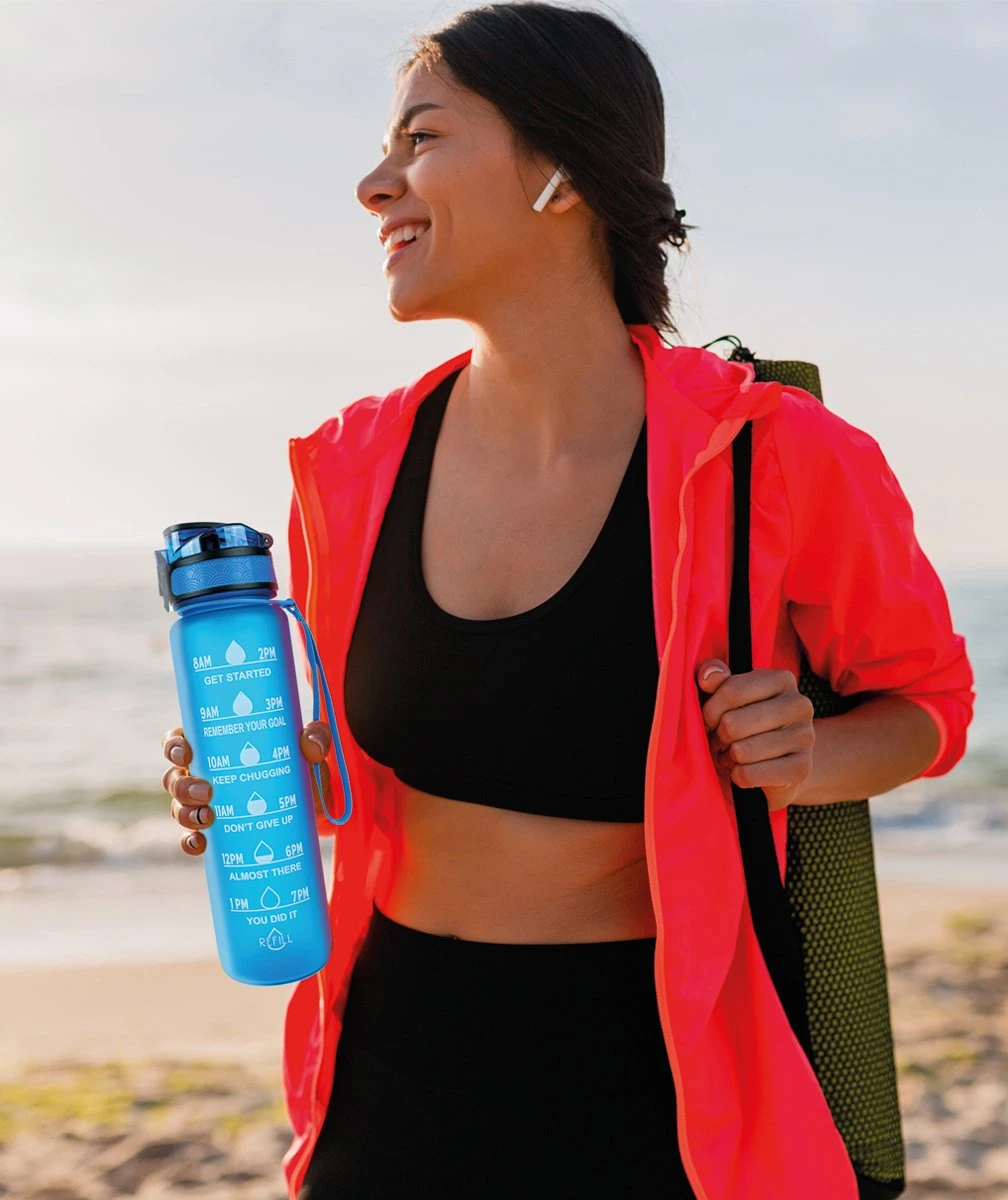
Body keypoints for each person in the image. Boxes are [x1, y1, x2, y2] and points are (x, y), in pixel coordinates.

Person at [160, 5, 976, 1197]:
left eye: (421, 139)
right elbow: (364, 776)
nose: (374, 185)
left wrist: (808, 754)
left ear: (564, 173)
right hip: (386, 1066)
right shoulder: (352, 464)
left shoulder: (772, 453)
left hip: (649, 1088)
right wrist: (260, 778)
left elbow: (928, 708)